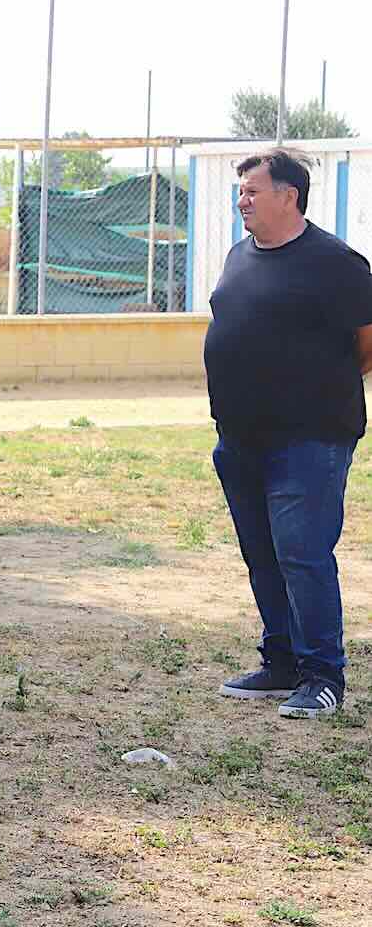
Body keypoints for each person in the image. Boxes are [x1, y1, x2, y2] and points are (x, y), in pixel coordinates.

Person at [208, 147, 372, 719]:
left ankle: (323, 675)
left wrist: (313, 386)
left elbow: (367, 344)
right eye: (241, 190)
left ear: (288, 195)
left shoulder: (335, 262)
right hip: (239, 437)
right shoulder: (239, 255)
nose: (242, 199)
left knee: (302, 554)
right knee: (263, 554)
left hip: (311, 438)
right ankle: (281, 662)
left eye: (252, 190)